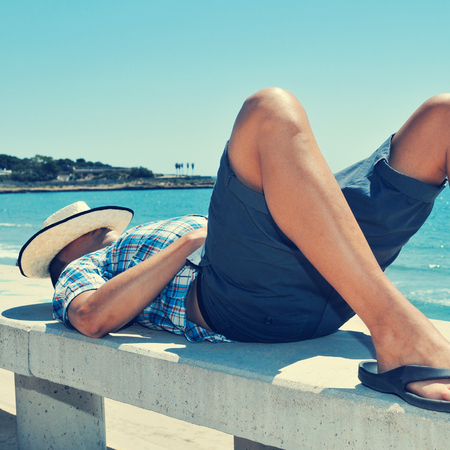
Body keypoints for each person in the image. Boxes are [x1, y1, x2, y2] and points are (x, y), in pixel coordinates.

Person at [18, 88, 450, 412]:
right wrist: (188, 242)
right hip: (244, 300)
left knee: (441, 117)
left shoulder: (133, 242)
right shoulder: (85, 268)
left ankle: (395, 325)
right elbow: (91, 317)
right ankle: (397, 332)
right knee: (268, 110)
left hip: (316, 265)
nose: (98, 228)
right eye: (85, 228)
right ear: (65, 250)